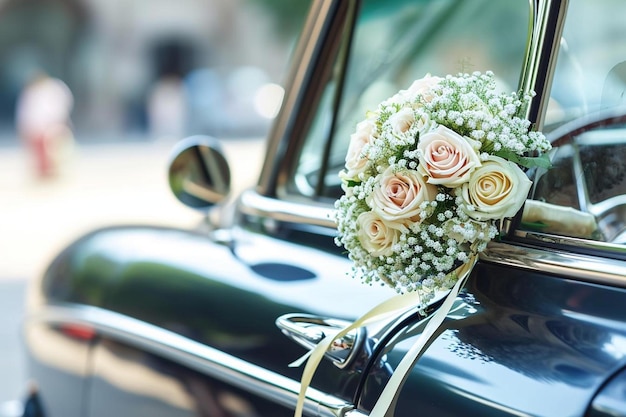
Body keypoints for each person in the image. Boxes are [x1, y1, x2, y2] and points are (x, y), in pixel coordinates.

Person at [15, 73, 74, 178]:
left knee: (55, 151)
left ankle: (54, 172)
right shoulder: (31, 92)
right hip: (37, 128)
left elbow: (61, 105)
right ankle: (43, 174)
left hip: (51, 125)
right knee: (40, 153)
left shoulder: (54, 88)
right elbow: (26, 113)